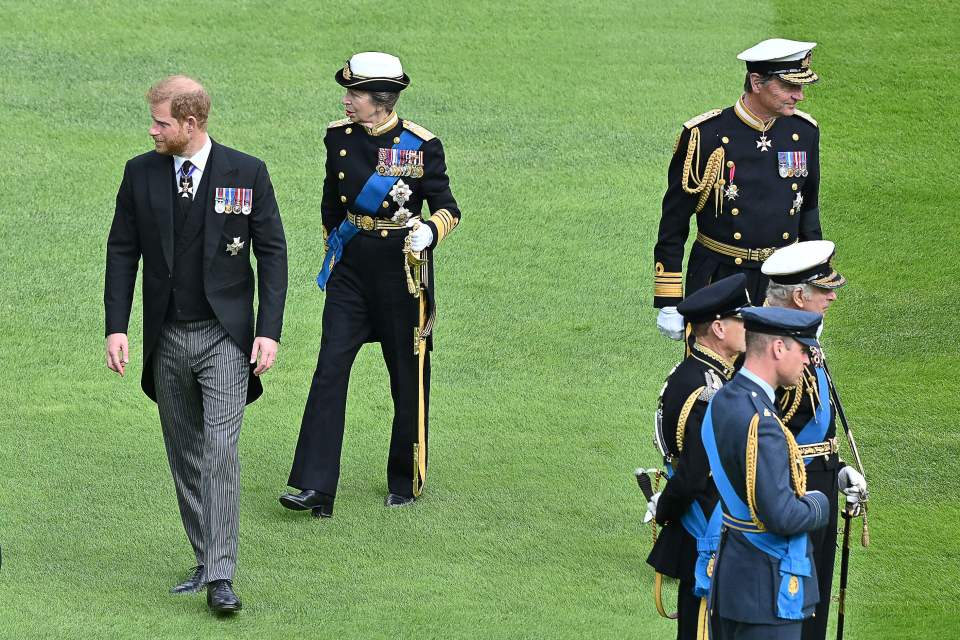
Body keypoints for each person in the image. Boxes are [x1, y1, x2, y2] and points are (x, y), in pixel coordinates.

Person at [104, 75, 288, 614]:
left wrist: (268, 329)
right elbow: (122, 251)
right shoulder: (140, 173)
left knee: (220, 452)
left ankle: (221, 577)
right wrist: (117, 326)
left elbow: (272, 254)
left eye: (161, 122)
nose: (153, 130)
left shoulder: (247, 172)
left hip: (225, 339)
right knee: (185, 455)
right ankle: (206, 556)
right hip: (166, 338)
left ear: (191, 123)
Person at [280, 52, 460, 516]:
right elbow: (330, 203)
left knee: (406, 375)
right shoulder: (337, 138)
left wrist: (430, 231)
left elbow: (447, 207)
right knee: (329, 370)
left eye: (354, 93)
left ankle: (405, 477)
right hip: (352, 272)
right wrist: (334, 253)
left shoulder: (420, 145)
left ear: (381, 100)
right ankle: (315, 487)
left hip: (402, 274)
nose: (346, 101)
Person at [654, 38, 824, 342]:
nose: (799, 96)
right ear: (757, 82)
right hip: (719, 280)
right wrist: (669, 300)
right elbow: (673, 224)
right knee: (717, 381)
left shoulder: (803, 132)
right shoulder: (705, 137)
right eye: (789, 87)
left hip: (782, 283)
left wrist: (813, 291)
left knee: (782, 382)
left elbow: (808, 214)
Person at [701, 306, 830, 639]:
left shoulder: (722, 399)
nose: (807, 361)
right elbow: (782, 516)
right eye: (803, 350)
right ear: (777, 348)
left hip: (731, 583)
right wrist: (821, 502)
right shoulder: (765, 424)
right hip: (768, 590)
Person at [762, 241, 868, 640]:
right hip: (790, 494)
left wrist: (836, 470)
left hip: (817, 484)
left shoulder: (802, 341)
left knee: (814, 606)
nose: (832, 296)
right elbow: (765, 434)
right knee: (790, 604)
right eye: (824, 290)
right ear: (798, 295)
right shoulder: (774, 349)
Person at [643, 274, 749, 640]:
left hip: (701, 524)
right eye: (741, 320)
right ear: (718, 328)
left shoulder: (697, 373)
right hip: (706, 529)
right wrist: (667, 507)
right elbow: (693, 475)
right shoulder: (707, 388)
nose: (748, 327)